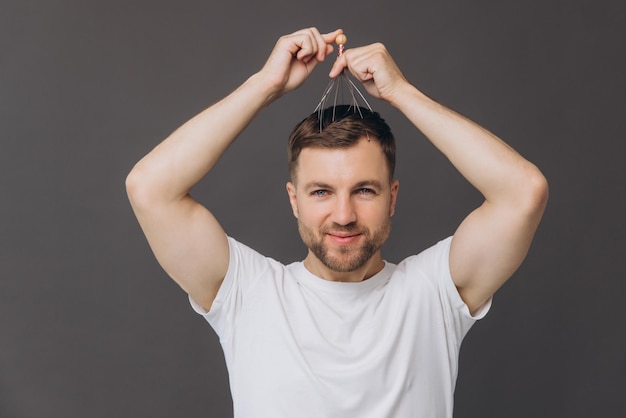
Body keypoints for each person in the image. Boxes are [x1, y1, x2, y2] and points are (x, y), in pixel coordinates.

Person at [126, 27, 548, 417]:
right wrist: (265, 85)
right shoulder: (248, 293)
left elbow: (523, 192)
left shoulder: (434, 294)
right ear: (294, 200)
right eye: (321, 191)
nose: (343, 216)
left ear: (392, 197)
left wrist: (401, 93)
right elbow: (150, 188)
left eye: (364, 190)